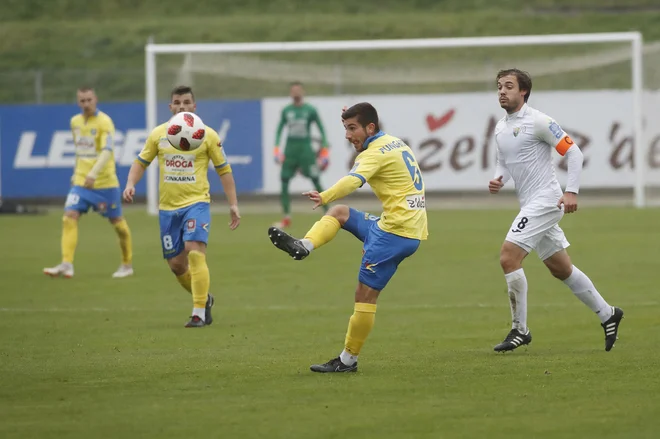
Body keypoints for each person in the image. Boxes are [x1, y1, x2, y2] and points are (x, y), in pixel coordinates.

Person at [268, 102, 428, 372]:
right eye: (345, 128)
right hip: (401, 225)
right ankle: (304, 245)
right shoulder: (393, 142)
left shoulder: (373, 153)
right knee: (340, 213)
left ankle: (347, 360)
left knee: (364, 296)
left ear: (370, 127)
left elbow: (354, 181)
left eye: (352, 128)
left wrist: (324, 195)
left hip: (395, 233)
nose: (347, 135)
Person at [489, 68, 623, 352]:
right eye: (499, 86)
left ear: (523, 91)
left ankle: (519, 330)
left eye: (508, 86)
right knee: (561, 268)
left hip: (547, 200)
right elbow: (504, 162)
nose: (502, 91)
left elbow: (574, 152)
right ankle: (608, 313)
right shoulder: (501, 127)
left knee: (508, 256)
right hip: (530, 203)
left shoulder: (539, 121)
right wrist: (500, 177)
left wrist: (571, 190)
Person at [123, 85, 241, 327]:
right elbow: (141, 161)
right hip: (167, 208)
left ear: (194, 107)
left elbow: (224, 171)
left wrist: (233, 204)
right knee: (177, 265)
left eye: (187, 102)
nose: (182, 107)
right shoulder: (159, 134)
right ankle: (204, 298)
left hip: (196, 203)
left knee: (194, 250)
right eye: (177, 102)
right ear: (170, 107)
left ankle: (198, 313)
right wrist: (130, 183)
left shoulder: (208, 135)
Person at [43, 87, 133, 279]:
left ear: (96, 99)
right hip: (81, 183)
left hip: (105, 183)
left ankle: (127, 264)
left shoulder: (104, 122)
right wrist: (78, 173)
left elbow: (107, 151)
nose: (86, 104)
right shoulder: (75, 122)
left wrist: (92, 174)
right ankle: (67, 264)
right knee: (69, 216)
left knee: (118, 224)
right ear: (78, 102)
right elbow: (80, 151)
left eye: (89, 100)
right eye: (82, 101)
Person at [273, 81, 330, 228]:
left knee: (316, 179)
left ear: (302, 92)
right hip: (290, 149)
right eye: (293, 90)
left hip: (305, 150)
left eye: (298, 90)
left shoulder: (310, 110)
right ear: (290, 93)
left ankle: (328, 212)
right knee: (284, 181)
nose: (296, 93)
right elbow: (279, 130)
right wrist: (277, 148)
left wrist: (324, 147)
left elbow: (321, 128)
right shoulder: (286, 110)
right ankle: (286, 217)